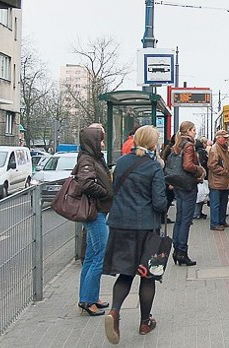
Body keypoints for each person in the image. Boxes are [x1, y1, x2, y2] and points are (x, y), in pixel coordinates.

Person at [102, 125, 168, 344]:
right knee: (147, 276)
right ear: (152, 143)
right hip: (145, 229)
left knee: (126, 273)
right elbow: (159, 203)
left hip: (120, 225)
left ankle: (114, 311)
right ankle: (144, 322)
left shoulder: (121, 163)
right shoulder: (153, 167)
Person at [75, 124, 114, 317]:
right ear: (93, 142)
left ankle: (89, 296)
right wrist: (105, 193)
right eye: (100, 139)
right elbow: (85, 183)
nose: (103, 143)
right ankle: (88, 300)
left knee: (91, 257)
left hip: (98, 212)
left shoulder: (92, 158)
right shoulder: (87, 160)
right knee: (99, 257)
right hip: (95, 213)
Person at [171, 121, 205, 266]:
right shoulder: (189, 145)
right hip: (188, 186)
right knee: (186, 220)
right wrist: (200, 170)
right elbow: (187, 165)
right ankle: (182, 252)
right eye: (194, 130)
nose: (195, 133)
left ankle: (176, 250)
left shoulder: (177, 144)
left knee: (179, 219)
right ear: (189, 130)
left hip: (178, 186)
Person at [207, 129, 229, 231]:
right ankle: (215, 223)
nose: (226, 140)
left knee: (223, 203)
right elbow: (212, 165)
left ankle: (221, 221)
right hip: (217, 182)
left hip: (223, 182)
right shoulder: (215, 149)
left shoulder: (223, 148)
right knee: (216, 204)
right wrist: (225, 171)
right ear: (218, 138)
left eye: (227, 138)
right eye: (224, 138)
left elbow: (223, 162)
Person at [193, 138, 209, 220]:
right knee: (201, 195)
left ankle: (198, 212)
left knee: (200, 195)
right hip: (202, 177)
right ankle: (196, 213)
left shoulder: (196, 152)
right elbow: (204, 164)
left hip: (200, 176)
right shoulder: (202, 152)